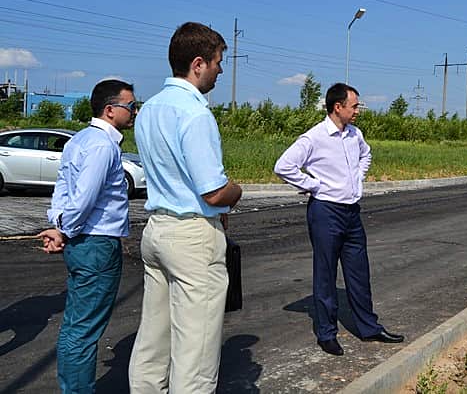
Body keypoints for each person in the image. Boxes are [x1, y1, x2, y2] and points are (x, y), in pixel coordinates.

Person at [128, 22, 242, 393]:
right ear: (198, 64)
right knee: (196, 351)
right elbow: (213, 192)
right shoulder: (195, 113)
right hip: (192, 236)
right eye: (218, 62)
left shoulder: (150, 110)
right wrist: (236, 190)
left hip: (157, 230)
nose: (220, 70)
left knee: (153, 340)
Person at [274, 83, 404, 356]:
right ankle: (326, 333)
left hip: (351, 213)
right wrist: (313, 185)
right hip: (326, 212)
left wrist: (358, 177)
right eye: (354, 105)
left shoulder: (355, 134)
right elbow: (283, 166)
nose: (358, 110)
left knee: (359, 271)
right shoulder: (314, 137)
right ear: (338, 107)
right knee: (326, 274)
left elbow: (366, 154)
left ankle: (369, 328)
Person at [37, 79, 137, 393]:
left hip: (82, 242)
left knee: (76, 326)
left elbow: (62, 192)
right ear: (110, 110)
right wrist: (65, 228)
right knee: (84, 330)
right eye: (131, 106)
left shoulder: (79, 140)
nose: (134, 112)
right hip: (97, 244)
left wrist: (59, 225)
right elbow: (84, 199)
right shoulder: (102, 145)